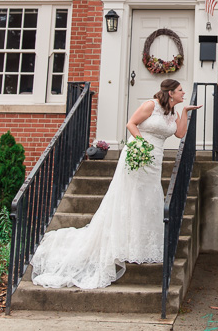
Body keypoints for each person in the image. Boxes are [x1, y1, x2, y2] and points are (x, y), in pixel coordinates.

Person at [30, 79, 201, 289]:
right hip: (138, 154)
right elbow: (131, 124)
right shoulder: (151, 105)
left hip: (155, 159)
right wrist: (141, 144)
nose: (183, 93)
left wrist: (185, 111)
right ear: (171, 92)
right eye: (180, 90)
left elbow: (180, 133)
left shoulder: (173, 113)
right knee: (131, 195)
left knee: (147, 198)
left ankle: (139, 245)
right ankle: (122, 243)